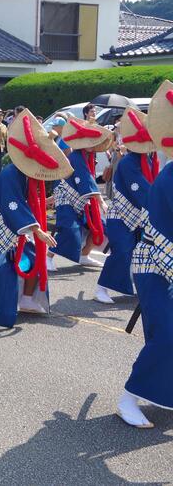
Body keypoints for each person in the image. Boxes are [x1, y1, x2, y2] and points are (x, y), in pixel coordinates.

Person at [0, 109, 71, 330]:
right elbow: (12, 206)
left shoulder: (27, 176)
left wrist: (43, 203)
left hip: (16, 232)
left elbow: (23, 205)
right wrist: (38, 231)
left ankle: (27, 300)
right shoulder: (10, 174)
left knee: (33, 260)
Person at [116, 80, 173, 429]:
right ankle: (128, 398)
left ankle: (162, 392)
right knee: (167, 334)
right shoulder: (171, 175)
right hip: (155, 265)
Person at [95, 108, 157, 305]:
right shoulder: (129, 162)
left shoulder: (149, 159)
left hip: (138, 217)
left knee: (143, 253)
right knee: (122, 251)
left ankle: (142, 286)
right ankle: (101, 287)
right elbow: (142, 191)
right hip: (121, 217)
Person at [47, 117, 112, 270]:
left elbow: (87, 180)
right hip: (67, 199)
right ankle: (48, 256)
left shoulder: (88, 156)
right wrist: (101, 201)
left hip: (81, 199)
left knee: (97, 226)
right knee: (69, 229)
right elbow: (86, 180)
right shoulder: (76, 156)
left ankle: (84, 255)